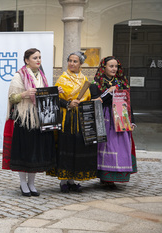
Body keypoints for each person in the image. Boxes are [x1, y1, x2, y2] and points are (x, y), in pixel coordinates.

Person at [5, 48, 61, 197]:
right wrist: (24, 94)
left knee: (35, 152)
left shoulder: (41, 76)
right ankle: (23, 184)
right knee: (24, 152)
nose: (38, 60)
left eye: (40, 57)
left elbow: (44, 95)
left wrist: (55, 91)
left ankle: (32, 183)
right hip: (24, 119)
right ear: (26, 60)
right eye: (35, 57)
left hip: (38, 119)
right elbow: (11, 98)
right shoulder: (19, 76)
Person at [47, 51, 98, 193]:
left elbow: (87, 98)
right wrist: (68, 103)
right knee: (66, 147)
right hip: (67, 119)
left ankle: (72, 180)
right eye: (70, 61)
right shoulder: (62, 79)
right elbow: (56, 98)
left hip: (80, 119)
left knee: (77, 148)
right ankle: (64, 181)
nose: (71, 64)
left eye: (75, 61)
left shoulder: (84, 79)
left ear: (80, 64)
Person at [90, 56, 137, 189]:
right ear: (104, 67)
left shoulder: (122, 83)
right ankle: (105, 177)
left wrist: (132, 121)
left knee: (121, 147)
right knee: (106, 147)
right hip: (105, 118)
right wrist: (108, 92)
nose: (114, 69)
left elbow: (128, 103)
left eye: (116, 66)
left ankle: (119, 175)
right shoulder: (96, 83)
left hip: (121, 118)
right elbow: (95, 101)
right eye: (111, 66)